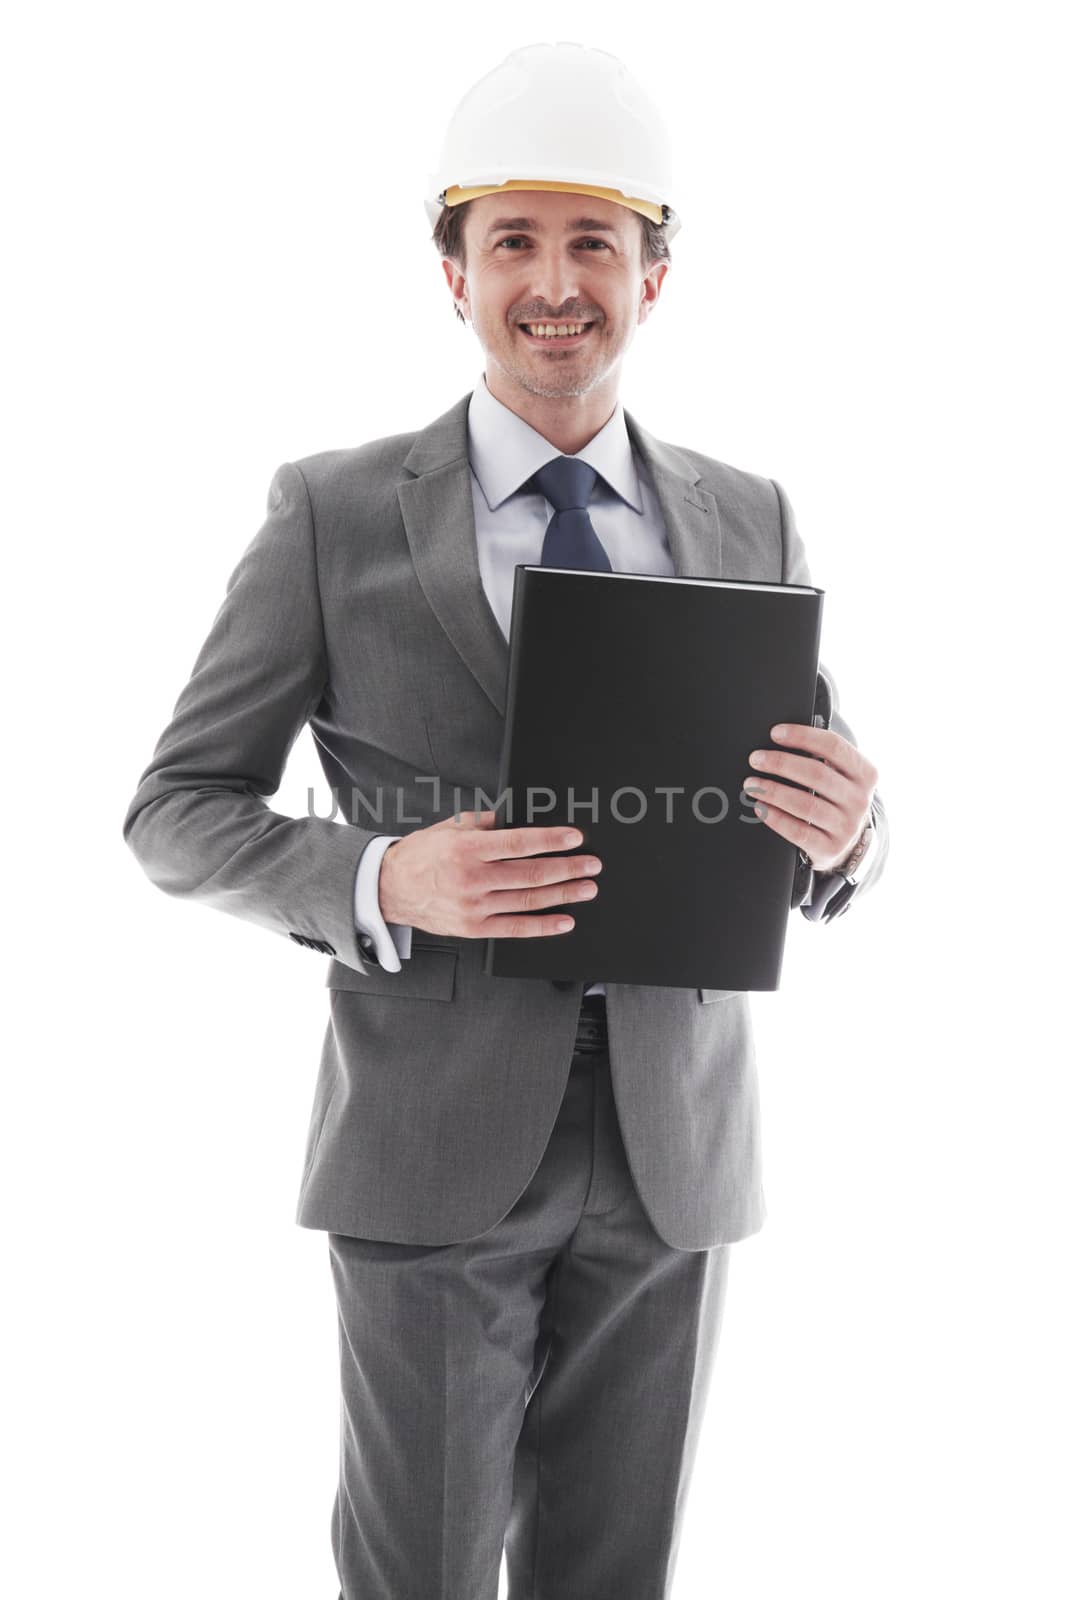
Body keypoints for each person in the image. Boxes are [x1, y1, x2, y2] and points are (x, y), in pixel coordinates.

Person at [122, 40, 887, 1600]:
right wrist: (385, 872)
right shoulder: (334, 512)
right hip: (432, 1142)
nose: (555, 284)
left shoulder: (749, 513)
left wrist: (856, 829)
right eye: (513, 242)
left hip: (677, 1145)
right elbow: (175, 808)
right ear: (452, 275)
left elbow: (815, 782)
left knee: (617, 1576)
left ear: (655, 277)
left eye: (593, 242)